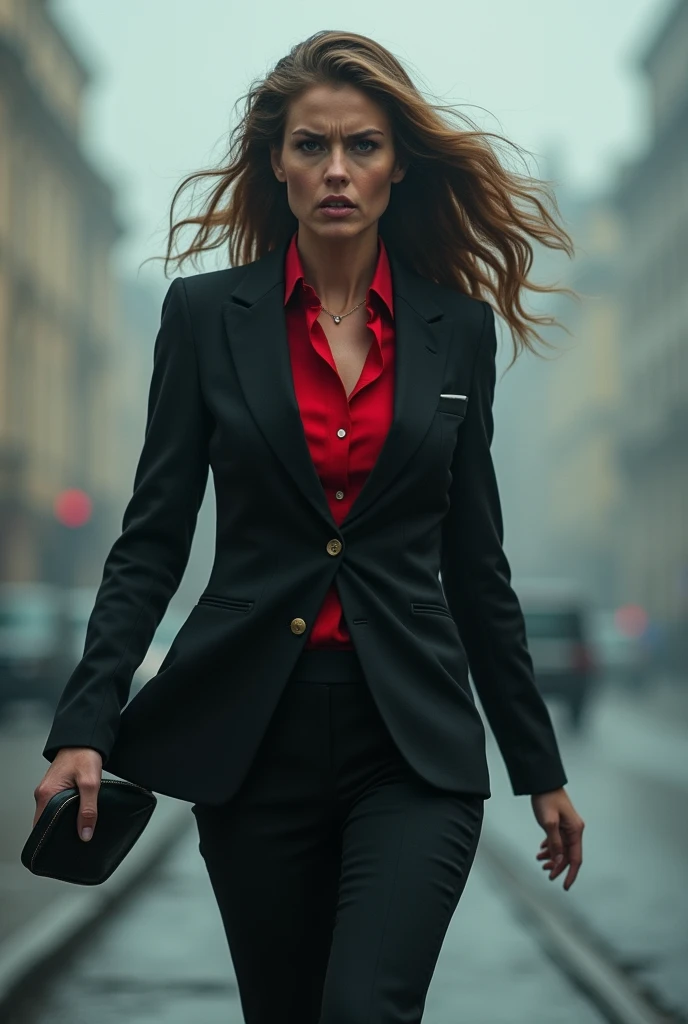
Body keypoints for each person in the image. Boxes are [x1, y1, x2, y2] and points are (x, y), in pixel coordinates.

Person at [33, 29, 585, 1023]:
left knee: (365, 1009)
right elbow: (153, 537)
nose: (335, 169)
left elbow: (476, 565)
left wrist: (537, 765)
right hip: (254, 741)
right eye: (309, 146)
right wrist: (83, 725)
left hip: (410, 741)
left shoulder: (454, 328)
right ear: (275, 162)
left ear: (396, 164)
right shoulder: (204, 318)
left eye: (361, 146)